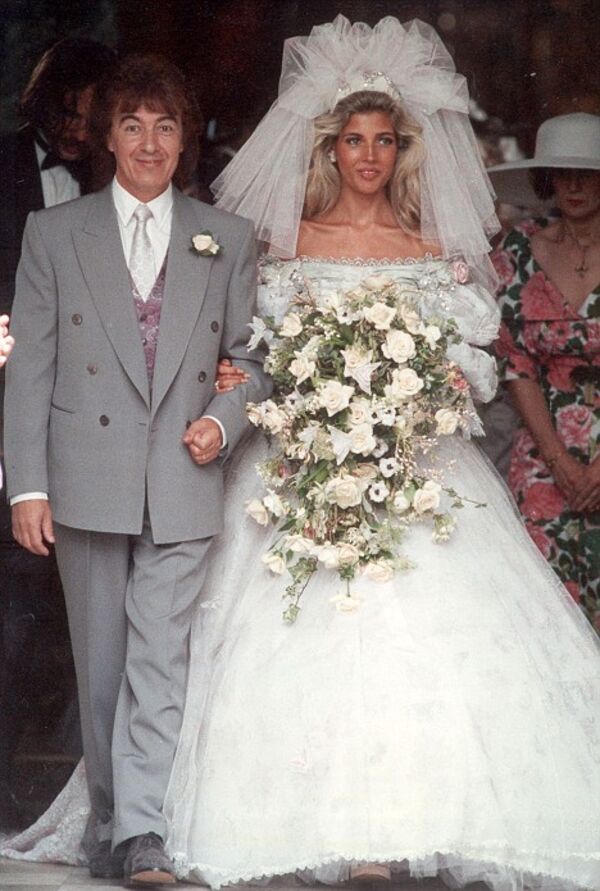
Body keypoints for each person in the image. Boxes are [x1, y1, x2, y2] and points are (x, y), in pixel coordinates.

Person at [3, 18, 600, 891]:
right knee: (160, 654)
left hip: (409, 469)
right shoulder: (277, 244)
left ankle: (383, 827)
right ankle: (136, 827)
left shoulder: (428, 252)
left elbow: (474, 365)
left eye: (384, 141)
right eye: (353, 140)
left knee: (403, 643)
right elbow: (257, 349)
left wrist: (409, 401)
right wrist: (289, 401)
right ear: (330, 148)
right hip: (297, 464)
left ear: (403, 151)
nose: (369, 157)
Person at [2, 52, 270, 886]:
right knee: (104, 667)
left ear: (185, 140)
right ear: (107, 137)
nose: (149, 142)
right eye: (132, 124)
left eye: (165, 126)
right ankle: (113, 818)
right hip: (84, 476)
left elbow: (253, 360)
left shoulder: (227, 237)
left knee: (160, 657)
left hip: (183, 474)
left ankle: (141, 832)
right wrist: (28, 485)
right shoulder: (55, 233)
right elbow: (30, 367)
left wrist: (222, 422)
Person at [0, 37, 116, 830]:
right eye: (67, 112)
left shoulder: (120, 180)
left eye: (92, 115)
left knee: (65, 602)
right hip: (10, 393)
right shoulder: (5, 163)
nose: (78, 130)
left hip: (89, 413)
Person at [490, 113, 600, 631]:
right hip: (543, 449)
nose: (574, 186)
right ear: (545, 179)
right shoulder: (516, 251)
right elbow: (515, 364)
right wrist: (558, 461)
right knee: (545, 615)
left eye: (588, 174)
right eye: (562, 173)